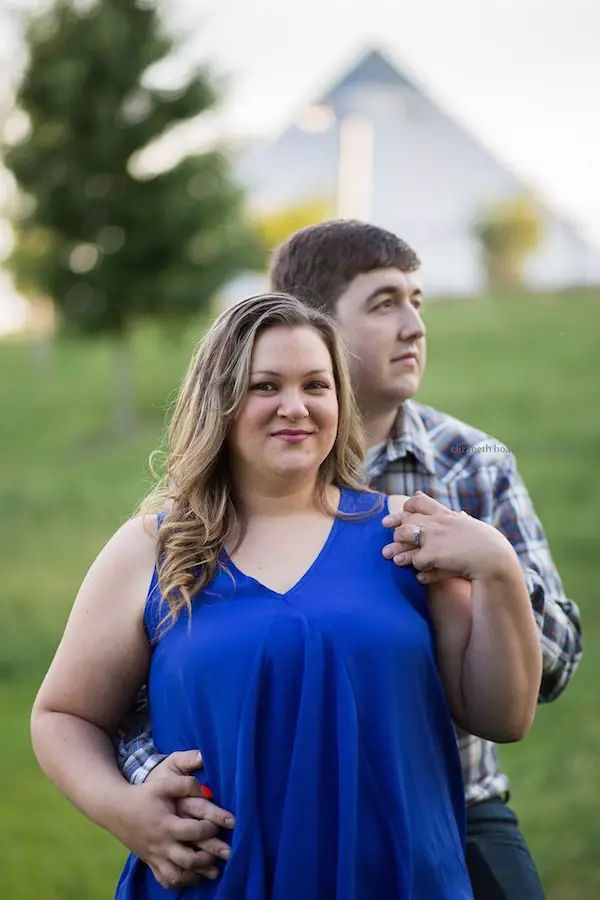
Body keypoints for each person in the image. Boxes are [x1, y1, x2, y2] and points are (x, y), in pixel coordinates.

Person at [112, 221, 583, 900]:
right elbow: (138, 690)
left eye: (417, 300)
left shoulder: (466, 470)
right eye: (385, 303)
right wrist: (144, 789)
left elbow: (544, 676)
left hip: (449, 801)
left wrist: (492, 573)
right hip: (251, 821)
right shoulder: (181, 533)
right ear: (314, 321)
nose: (415, 325)